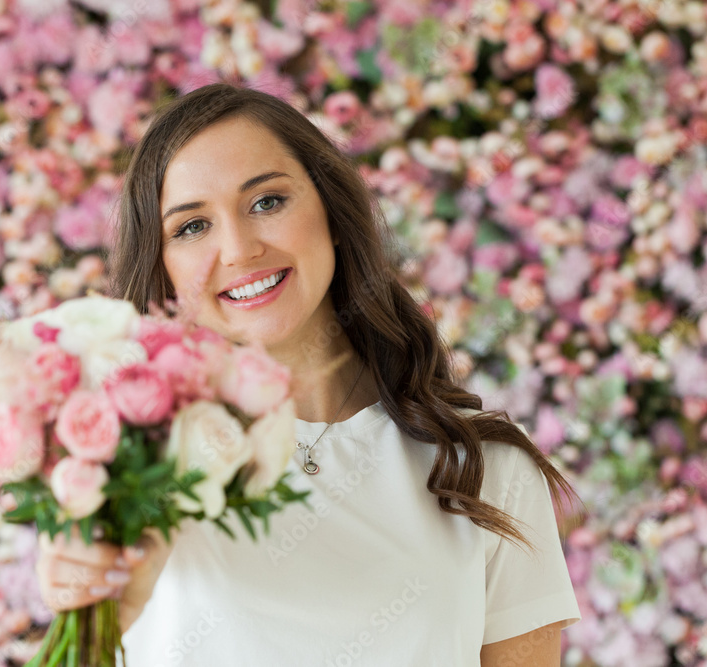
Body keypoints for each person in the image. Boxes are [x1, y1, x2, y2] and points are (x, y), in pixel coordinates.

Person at [36, 82, 583, 666]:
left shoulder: (484, 466)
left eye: (267, 202)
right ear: (164, 269)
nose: (240, 249)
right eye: (193, 226)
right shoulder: (128, 464)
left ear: (333, 213)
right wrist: (90, 602)